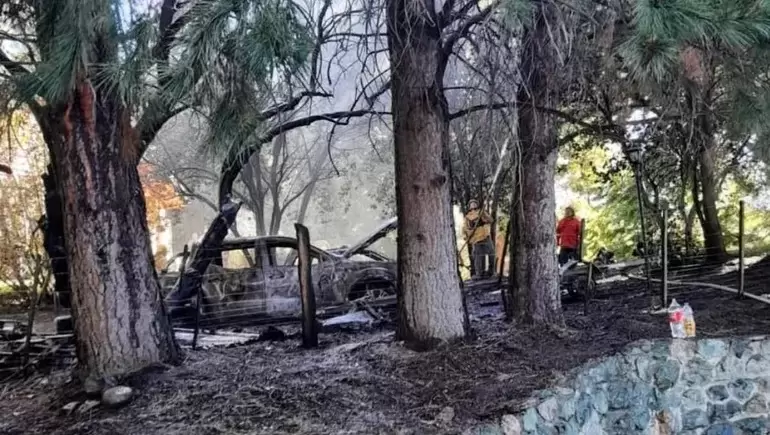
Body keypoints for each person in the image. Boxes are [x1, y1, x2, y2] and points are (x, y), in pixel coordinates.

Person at [464, 199, 495, 279]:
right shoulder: (467, 217)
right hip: (476, 239)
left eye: (474, 203)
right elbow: (465, 229)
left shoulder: (481, 212)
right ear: (469, 206)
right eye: (471, 204)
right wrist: (467, 236)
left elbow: (490, 220)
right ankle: (479, 274)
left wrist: (484, 214)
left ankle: (491, 271)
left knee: (491, 253)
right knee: (478, 256)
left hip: (485, 236)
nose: (473, 205)